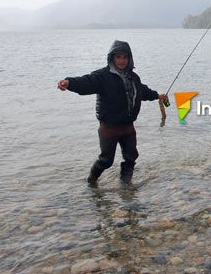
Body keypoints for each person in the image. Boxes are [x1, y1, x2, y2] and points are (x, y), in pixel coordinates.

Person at [57, 40, 167, 185]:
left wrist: (157, 95)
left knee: (131, 157)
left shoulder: (133, 77)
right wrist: (69, 83)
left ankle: (126, 185)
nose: (121, 61)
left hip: (128, 127)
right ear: (112, 58)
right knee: (106, 160)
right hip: (109, 128)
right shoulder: (102, 76)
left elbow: (142, 91)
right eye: (118, 57)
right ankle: (91, 182)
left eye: (125, 57)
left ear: (129, 58)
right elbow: (86, 83)